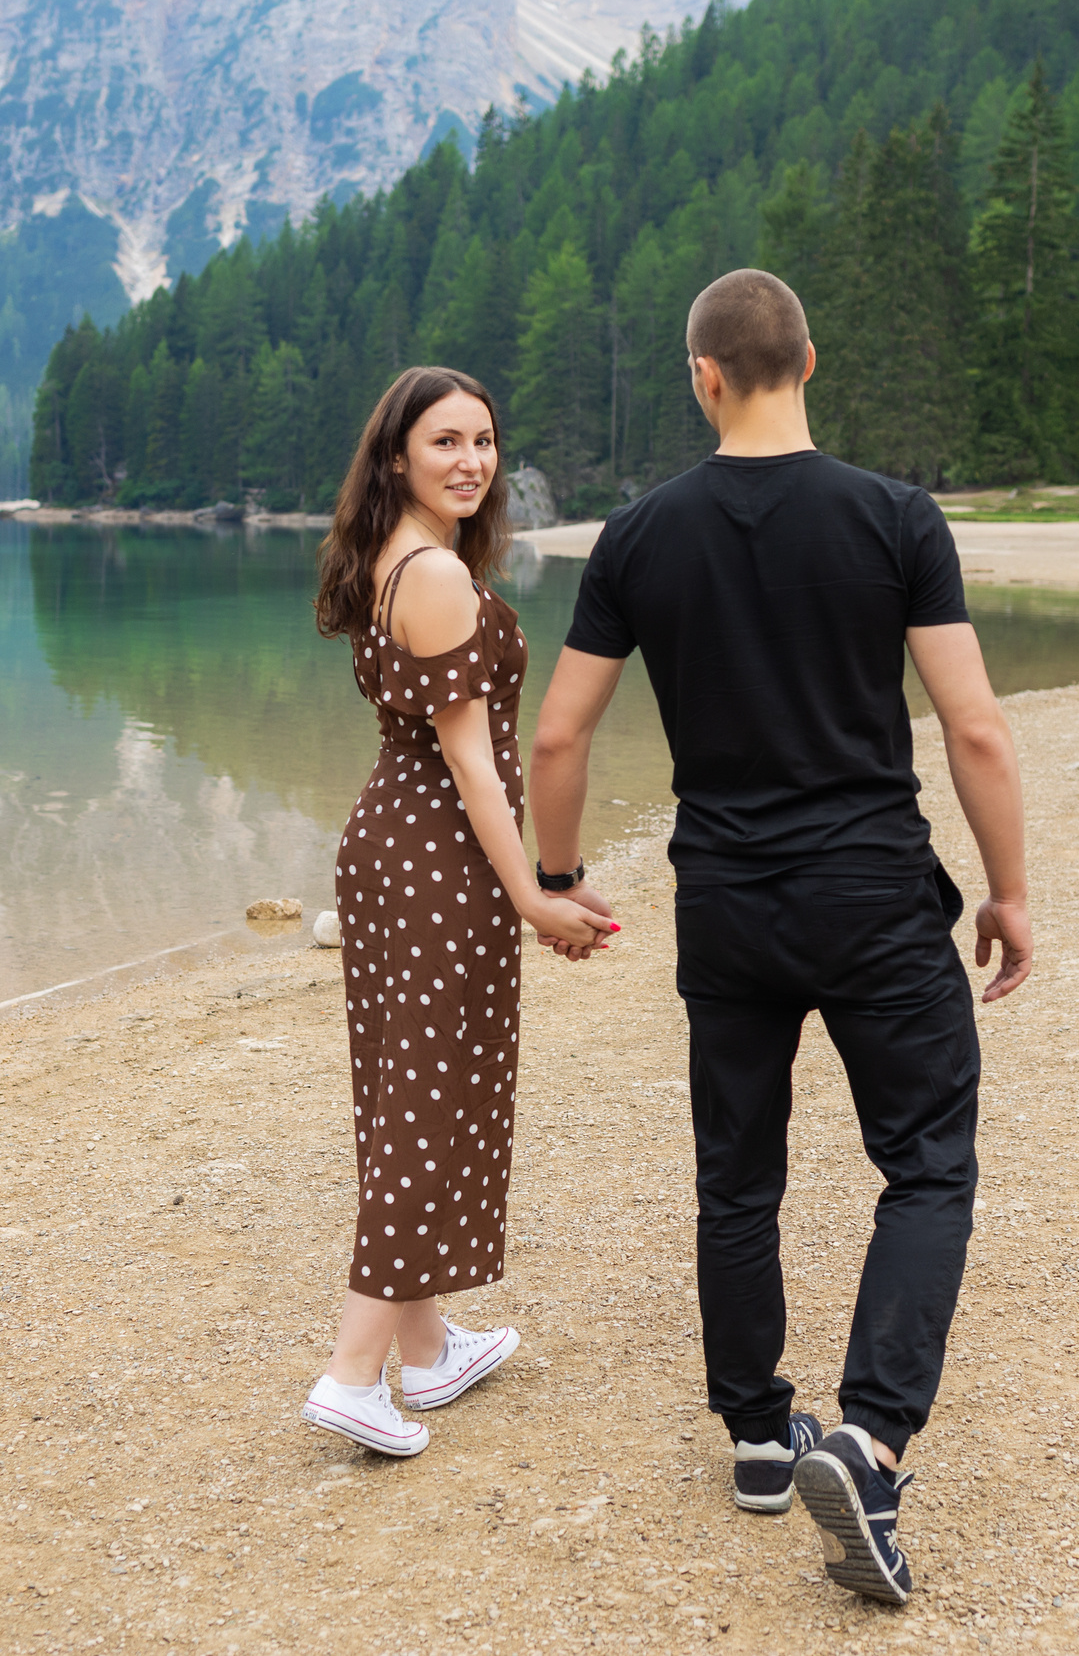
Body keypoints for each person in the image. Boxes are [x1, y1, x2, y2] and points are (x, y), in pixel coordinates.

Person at [528, 270, 1031, 1603]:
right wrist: (1009, 887)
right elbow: (974, 724)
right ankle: (867, 1439)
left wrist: (560, 875)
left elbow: (561, 731)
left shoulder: (637, 538)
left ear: (704, 374)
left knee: (736, 1174)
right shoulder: (895, 517)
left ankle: (758, 1434)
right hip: (873, 892)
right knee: (926, 1162)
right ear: (810, 358)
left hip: (730, 901)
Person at [300, 366, 619, 1457]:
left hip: (396, 856)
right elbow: (474, 770)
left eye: (483, 440)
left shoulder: (398, 556)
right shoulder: (431, 572)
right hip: (433, 863)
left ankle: (426, 1351)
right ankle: (352, 1373)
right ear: (397, 457)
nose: (472, 461)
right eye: (445, 443)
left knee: (409, 1094)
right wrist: (534, 891)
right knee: (425, 1108)